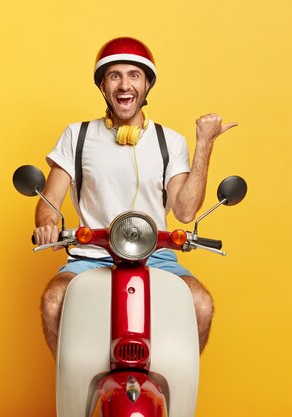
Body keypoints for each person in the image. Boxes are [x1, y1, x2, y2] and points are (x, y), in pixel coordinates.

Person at [33, 37, 236, 357]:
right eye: (114, 75)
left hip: (156, 255)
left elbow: (184, 212)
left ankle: (178, 391)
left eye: (134, 75)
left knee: (201, 304)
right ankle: (69, 387)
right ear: (102, 86)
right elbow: (48, 203)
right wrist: (46, 225)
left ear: (147, 85)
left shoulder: (170, 141)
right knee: (53, 301)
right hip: (92, 255)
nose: (124, 84)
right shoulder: (77, 135)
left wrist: (205, 144)